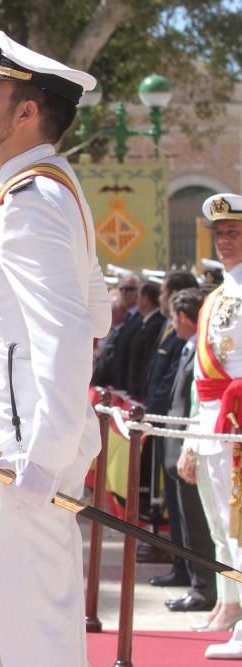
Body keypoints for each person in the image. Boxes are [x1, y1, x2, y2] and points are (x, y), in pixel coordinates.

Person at [0, 31, 110, 665]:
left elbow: (69, 332)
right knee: (20, 635)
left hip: (20, 458)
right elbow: (96, 308)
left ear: (26, 112)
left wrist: (44, 459)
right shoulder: (39, 191)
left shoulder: (32, 202)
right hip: (12, 449)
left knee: (37, 641)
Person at [184, 194, 242, 659]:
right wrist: (192, 437)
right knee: (224, 522)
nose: (225, 241)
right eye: (220, 234)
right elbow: (201, 379)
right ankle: (231, 606)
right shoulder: (218, 295)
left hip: (237, 420)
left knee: (240, 523)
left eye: (234, 233)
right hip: (213, 422)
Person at [151, 289, 218, 617]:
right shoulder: (187, 348)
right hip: (177, 443)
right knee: (185, 520)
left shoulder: (202, 351)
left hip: (191, 445)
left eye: (177, 318)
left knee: (199, 523)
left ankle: (204, 587)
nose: (173, 323)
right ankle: (192, 576)